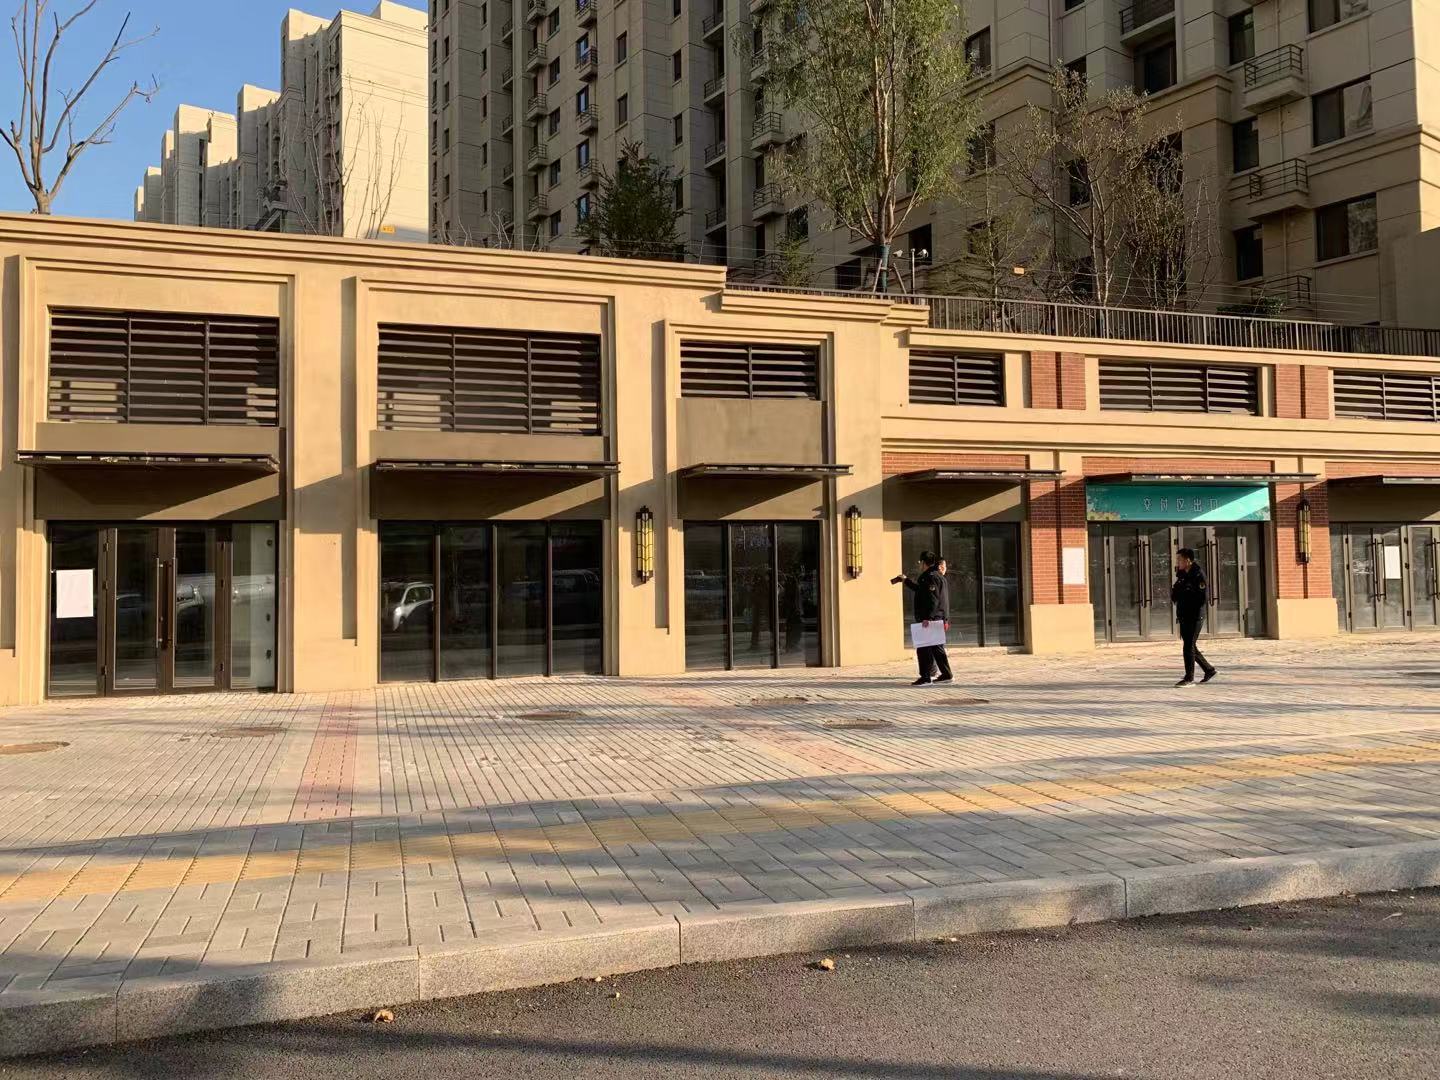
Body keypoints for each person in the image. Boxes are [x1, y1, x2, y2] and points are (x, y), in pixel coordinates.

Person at [891, 551, 952, 686]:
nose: (919, 565)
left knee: (923, 647)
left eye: (920, 562)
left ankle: (925, 678)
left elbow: (933, 600)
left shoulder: (929, 577)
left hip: (930, 619)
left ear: (924, 563)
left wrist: (928, 618)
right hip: (937, 617)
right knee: (937, 648)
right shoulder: (937, 576)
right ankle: (946, 674)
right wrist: (906, 580)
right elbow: (922, 591)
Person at [1172, 547, 1218, 687]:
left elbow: (1201, 598)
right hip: (1184, 615)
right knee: (1190, 646)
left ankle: (1189, 678)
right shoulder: (1181, 574)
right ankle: (1209, 670)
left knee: (1188, 646)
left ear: (1188, 560)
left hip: (1195, 616)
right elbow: (1176, 592)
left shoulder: (1198, 575)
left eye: (1179, 559)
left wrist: (1185, 596)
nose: (1177, 562)